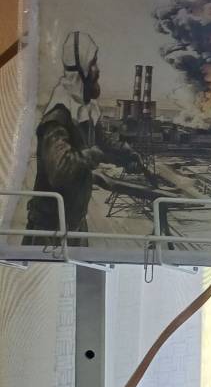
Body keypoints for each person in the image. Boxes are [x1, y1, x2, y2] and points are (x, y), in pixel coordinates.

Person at [26, 31, 143, 246]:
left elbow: (104, 143)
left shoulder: (84, 109)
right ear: (81, 70)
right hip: (49, 231)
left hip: (74, 223)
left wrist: (126, 154)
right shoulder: (58, 116)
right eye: (93, 63)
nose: (97, 70)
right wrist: (93, 155)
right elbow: (60, 170)